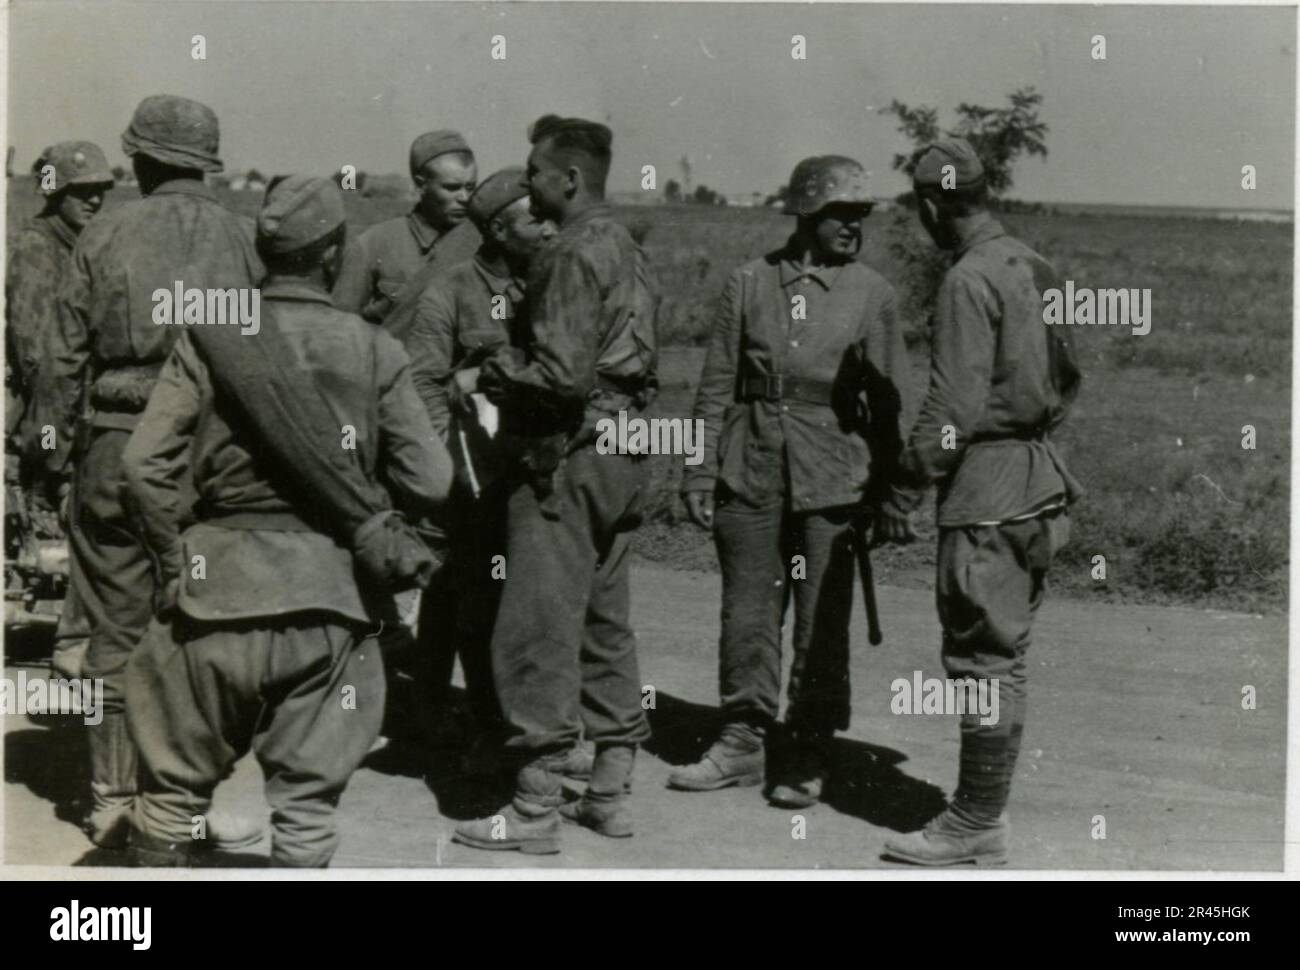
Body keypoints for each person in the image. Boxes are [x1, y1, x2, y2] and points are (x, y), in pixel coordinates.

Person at [120, 175, 454, 867]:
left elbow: (143, 465)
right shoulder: (372, 348)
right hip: (329, 602)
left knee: (169, 802)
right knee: (306, 811)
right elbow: (433, 480)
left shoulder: (213, 336)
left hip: (213, 592)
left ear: (260, 252)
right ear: (334, 255)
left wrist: (173, 562)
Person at [35, 95, 262, 849]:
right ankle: (189, 795)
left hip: (116, 440)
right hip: (213, 452)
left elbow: (62, 356)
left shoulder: (102, 233)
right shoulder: (244, 237)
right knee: (208, 628)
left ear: (143, 160)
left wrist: (53, 450)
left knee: (112, 629)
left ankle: (111, 800)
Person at [670, 155, 915, 807]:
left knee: (820, 621)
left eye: (861, 215)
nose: (853, 226)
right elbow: (716, 383)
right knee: (748, 610)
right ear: (807, 213)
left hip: (834, 477)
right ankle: (742, 741)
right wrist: (698, 468)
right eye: (841, 213)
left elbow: (891, 406)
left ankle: (808, 748)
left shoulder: (872, 294)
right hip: (748, 466)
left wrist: (893, 494)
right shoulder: (749, 282)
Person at [453, 115, 658, 853]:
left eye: (536, 172)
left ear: (568, 179)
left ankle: (534, 811)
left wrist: (491, 369)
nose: (528, 183)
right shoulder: (628, 245)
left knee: (535, 623)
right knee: (606, 621)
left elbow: (559, 377)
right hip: (626, 448)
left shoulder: (568, 252)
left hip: (566, 456)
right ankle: (609, 793)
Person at [881, 139, 1082, 867]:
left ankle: (974, 821)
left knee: (980, 659)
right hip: (1038, 479)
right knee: (1006, 655)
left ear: (933, 203)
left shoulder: (966, 278)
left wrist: (909, 482)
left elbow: (952, 407)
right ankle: (981, 811)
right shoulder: (1034, 262)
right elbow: (1069, 373)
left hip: (988, 489)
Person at [404, 167, 555, 777]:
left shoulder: (557, 283)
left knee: (546, 607)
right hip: (474, 483)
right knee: (475, 606)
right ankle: (486, 728)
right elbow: (422, 382)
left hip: (541, 477)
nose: (547, 227)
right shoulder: (451, 291)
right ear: (496, 230)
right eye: (531, 218)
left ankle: (547, 734)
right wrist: (452, 464)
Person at [5, 141, 114, 679]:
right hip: (53, 405)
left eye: (99, 191)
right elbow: (35, 350)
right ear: (54, 192)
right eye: (80, 192)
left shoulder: (91, 245)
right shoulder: (36, 246)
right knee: (61, 512)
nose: (93, 200)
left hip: (83, 399)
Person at [332, 129, 480, 338]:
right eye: (451, 187)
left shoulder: (482, 245)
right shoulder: (373, 244)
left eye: (471, 187)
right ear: (421, 184)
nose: (464, 197)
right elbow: (341, 328)